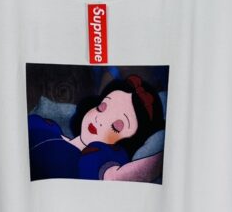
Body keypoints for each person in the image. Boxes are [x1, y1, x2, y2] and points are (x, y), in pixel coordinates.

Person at [28, 73, 165, 182]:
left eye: (116, 126)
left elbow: (118, 175)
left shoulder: (97, 158)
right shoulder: (47, 127)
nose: (100, 120)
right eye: (102, 107)